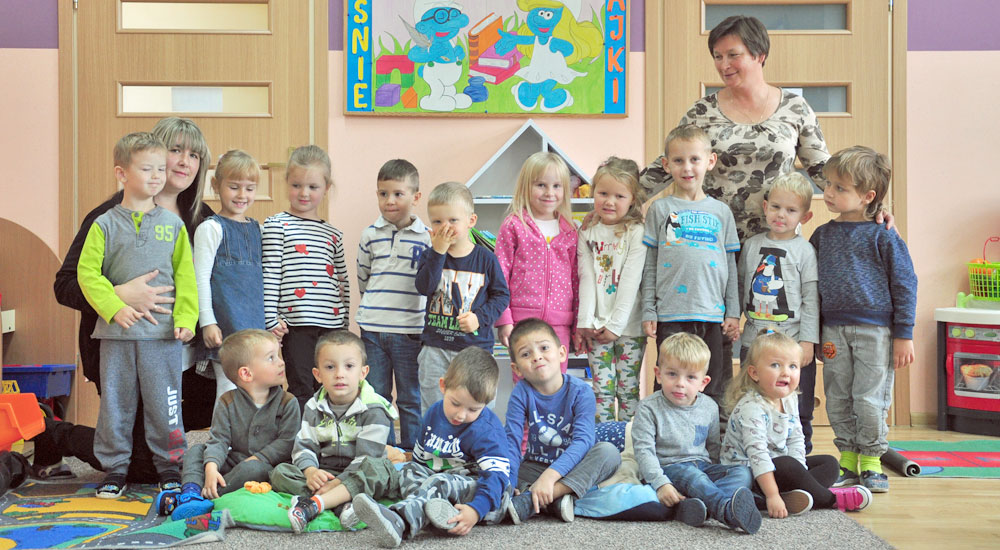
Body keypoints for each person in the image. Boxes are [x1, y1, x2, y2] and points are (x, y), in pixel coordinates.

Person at [43, 117, 215, 483]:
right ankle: (53, 432)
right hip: (120, 345)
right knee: (141, 467)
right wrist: (118, 294)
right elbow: (65, 284)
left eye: (195, 155)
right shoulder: (106, 219)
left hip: (181, 352)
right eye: (175, 150)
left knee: (174, 438)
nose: (185, 161)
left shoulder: (203, 220)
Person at [77, 131, 197, 498]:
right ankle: (115, 468)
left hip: (162, 337)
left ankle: (169, 466)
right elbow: (86, 274)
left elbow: (186, 276)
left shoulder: (174, 226)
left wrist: (186, 318)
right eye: (147, 169)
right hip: (116, 337)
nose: (157, 176)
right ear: (122, 173)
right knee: (116, 405)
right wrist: (114, 307)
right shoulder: (103, 224)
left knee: (166, 404)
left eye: (161, 168)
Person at [640, 15, 831, 244]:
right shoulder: (702, 111)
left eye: (733, 55)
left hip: (777, 240)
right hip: (711, 239)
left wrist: (863, 206)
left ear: (759, 55)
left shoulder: (795, 108)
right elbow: (670, 163)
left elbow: (823, 170)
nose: (724, 65)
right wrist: (616, 198)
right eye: (718, 56)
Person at [809, 146, 916, 493]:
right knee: (838, 397)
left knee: (869, 399)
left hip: (876, 332)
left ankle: (871, 461)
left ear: (868, 196)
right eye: (828, 184)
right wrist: (814, 332)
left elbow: (905, 283)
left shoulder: (883, 235)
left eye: (839, 187)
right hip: (832, 331)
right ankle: (848, 460)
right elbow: (810, 286)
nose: (828, 192)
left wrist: (904, 334)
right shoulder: (822, 235)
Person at [348, 346, 512, 548]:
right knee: (408, 470)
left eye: (473, 409)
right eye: (455, 403)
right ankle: (428, 512)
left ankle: (400, 521)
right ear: (443, 386)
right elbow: (420, 459)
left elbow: (497, 478)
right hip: (438, 479)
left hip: (478, 488)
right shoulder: (434, 413)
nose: (461, 415)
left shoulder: (488, 430)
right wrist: (415, 476)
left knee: (438, 482)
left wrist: (476, 510)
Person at [722, 330, 873, 518]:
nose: (786, 372)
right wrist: (772, 495)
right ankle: (830, 500)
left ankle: (795, 495)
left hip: (778, 468)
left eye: (793, 366)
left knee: (830, 464)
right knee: (788, 464)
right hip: (750, 475)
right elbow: (758, 455)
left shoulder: (790, 398)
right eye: (775, 365)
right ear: (754, 373)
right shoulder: (752, 407)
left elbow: (796, 438)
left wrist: (800, 475)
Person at [641, 125, 740, 405]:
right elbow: (650, 265)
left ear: (710, 161)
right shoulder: (660, 209)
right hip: (671, 314)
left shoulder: (721, 212)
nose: (687, 167)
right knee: (671, 385)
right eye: (678, 160)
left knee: (714, 386)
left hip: (712, 315)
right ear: (666, 164)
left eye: (695, 159)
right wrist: (649, 308)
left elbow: (730, 266)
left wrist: (733, 311)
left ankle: (714, 434)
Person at [159, 329, 300, 520]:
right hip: (235, 461)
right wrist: (211, 467)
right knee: (197, 450)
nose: (281, 362)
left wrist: (257, 458)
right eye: (271, 358)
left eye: (278, 356)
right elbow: (219, 440)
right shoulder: (227, 401)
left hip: (268, 467)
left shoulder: (288, 402)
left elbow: (287, 442)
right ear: (246, 373)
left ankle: (211, 496)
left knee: (253, 468)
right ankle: (190, 492)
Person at [632, 332, 761, 534]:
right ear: (658, 374)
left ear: (703, 383)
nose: (680, 383)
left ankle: (694, 506)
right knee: (694, 476)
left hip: (702, 466)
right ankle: (726, 510)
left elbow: (713, 447)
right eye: (672, 374)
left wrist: (716, 470)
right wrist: (660, 484)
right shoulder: (648, 408)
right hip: (667, 469)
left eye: (690, 377)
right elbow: (644, 452)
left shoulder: (709, 406)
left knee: (742, 472)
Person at [270, 329, 397, 530]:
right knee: (280, 472)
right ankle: (341, 504)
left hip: (360, 472)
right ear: (318, 375)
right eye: (330, 367)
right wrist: (311, 471)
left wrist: (339, 483)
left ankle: (321, 501)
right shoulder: (313, 406)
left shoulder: (374, 409)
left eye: (349, 366)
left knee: (379, 472)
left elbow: (367, 458)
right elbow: (304, 445)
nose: (339, 374)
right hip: (326, 471)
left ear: (363, 372)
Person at [503, 318, 620, 524]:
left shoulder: (581, 391)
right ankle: (556, 500)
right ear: (517, 369)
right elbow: (511, 441)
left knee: (609, 453)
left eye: (544, 348)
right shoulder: (521, 393)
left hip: (575, 465)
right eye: (526, 354)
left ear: (562, 353)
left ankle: (541, 496)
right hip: (535, 466)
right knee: (498, 470)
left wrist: (549, 478)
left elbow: (583, 442)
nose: (537, 357)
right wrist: (509, 483)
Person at [737, 172, 820, 453]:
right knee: (751, 400)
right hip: (754, 342)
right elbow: (740, 285)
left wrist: (808, 341)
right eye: (775, 207)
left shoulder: (805, 251)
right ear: (765, 207)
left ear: (805, 217)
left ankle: (800, 458)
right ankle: (755, 456)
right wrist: (733, 319)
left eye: (791, 210)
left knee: (799, 406)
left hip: (793, 345)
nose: (781, 215)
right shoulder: (751, 246)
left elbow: (811, 300)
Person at [263, 145, 350, 410]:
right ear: (287, 183)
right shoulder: (276, 225)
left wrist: (344, 323)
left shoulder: (333, 234)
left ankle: (329, 432)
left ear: (326, 188)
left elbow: (342, 281)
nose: (304, 193)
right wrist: (270, 319)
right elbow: (270, 273)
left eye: (313, 187)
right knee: (301, 386)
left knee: (330, 386)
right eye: (296, 185)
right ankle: (302, 434)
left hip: (331, 326)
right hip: (296, 324)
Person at [414, 182, 510, 411]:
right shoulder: (430, 256)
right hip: (435, 347)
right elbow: (424, 287)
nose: (445, 227)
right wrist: (438, 252)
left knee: (479, 405)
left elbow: (501, 295)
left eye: (453, 220)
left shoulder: (487, 259)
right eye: (437, 222)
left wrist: (479, 318)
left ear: (471, 221)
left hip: (475, 348)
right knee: (434, 408)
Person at [356, 159, 431, 451]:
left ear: (415, 197)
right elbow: (363, 277)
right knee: (376, 396)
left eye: (398, 194)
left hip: (411, 331)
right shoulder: (369, 235)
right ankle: (383, 453)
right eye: (383, 193)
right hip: (373, 330)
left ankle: (412, 453)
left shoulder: (428, 238)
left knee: (411, 396)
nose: (390, 201)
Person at [576, 157, 647, 422]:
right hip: (596, 326)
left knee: (628, 391)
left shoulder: (636, 231)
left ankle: (629, 442)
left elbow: (630, 280)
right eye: (603, 193)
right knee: (601, 393)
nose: (609, 201)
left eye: (619, 196)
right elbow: (586, 277)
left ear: (632, 199)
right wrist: (585, 322)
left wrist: (616, 325)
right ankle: (604, 442)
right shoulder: (587, 232)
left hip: (629, 327)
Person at [494, 152, 578, 375]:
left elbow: (576, 281)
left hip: (560, 324)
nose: (550, 192)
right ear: (526, 187)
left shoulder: (570, 231)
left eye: (557, 186)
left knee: (556, 382)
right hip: (522, 322)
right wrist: (504, 319)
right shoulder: (514, 225)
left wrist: (577, 325)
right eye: (541, 185)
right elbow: (499, 275)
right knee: (525, 381)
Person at [192, 150, 265, 403]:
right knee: (229, 390)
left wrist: (272, 321)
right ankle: (223, 431)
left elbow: (265, 281)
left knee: (256, 392)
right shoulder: (210, 228)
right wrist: (207, 322)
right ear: (216, 185)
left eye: (249, 188)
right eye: (234, 187)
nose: (242, 195)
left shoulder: (259, 230)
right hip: (225, 327)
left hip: (256, 329)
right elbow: (200, 279)